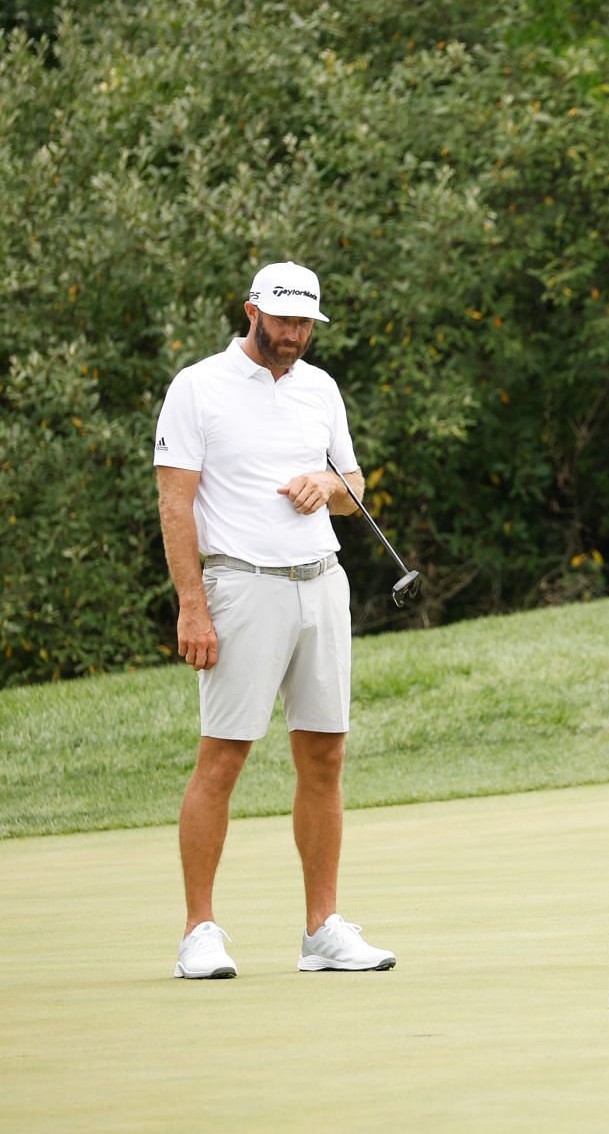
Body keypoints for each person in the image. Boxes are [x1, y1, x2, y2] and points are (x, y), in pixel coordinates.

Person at [154, 261, 396, 979]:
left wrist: (330, 482)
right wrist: (192, 605)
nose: (294, 336)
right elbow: (175, 505)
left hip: (321, 584)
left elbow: (353, 487)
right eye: (283, 321)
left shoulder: (321, 388)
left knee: (325, 755)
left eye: (305, 325)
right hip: (240, 585)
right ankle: (199, 931)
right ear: (252, 310)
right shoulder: (197, 388)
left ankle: (322, 930)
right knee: (223, 756)